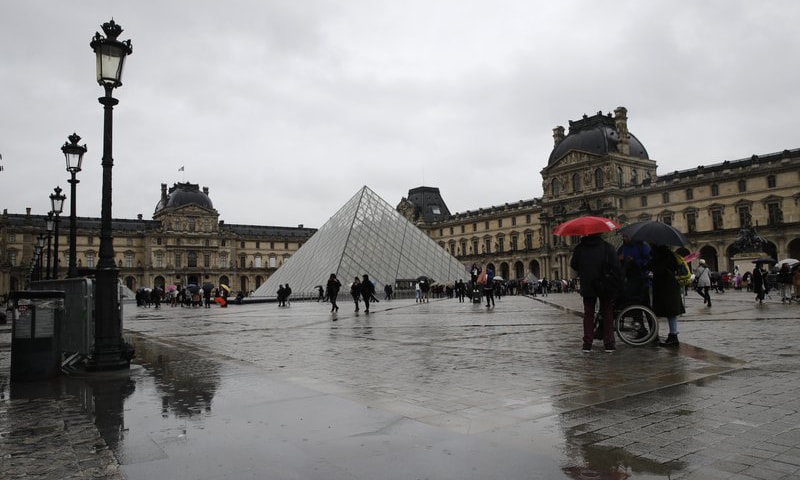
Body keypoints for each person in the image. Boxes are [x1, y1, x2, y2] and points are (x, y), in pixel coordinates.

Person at [570, 233, 622, 353]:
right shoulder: (607, 247)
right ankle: (609, 343)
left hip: (588, 284)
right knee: (608, 313)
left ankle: (587, 344)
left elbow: (573, 265)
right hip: (605, 284)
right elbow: (616, 266)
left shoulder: (580, 248)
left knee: (588, 314)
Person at [648, 244, 685, 347]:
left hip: (665, 287)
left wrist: (650, 263)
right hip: (671, 286)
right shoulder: (670, 255)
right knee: (671, 312)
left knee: (670, 312)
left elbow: (657, 269)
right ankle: (673, 335)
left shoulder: (660, 257)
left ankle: (673, 336)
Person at [617, 234, 651, 307]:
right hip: (628, 280)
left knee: (644, 303)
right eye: (623, 236)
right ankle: (637, 318)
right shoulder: (622, 248)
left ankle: (650, 317)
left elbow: (648, 262)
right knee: (632, 303)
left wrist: (635, 261)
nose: (624, 238)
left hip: (642, 280)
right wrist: (619, 259)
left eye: (626, 236)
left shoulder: (642, 247)